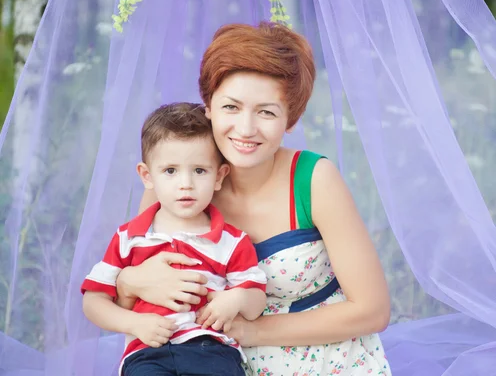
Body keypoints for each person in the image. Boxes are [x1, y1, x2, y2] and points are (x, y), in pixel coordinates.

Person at [115, 22, 392, 375]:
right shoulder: (175, 179)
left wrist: (252, 331)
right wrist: (130, 281)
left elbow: (372, 310)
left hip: (326, 358)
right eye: (231, 107)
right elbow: (128, 288)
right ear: (208, 107)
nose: (246, 129)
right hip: (209, 362)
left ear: (290, 119)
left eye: (266, 112)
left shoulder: (313, 180)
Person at [81, 102, 267, 376]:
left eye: (199, 171)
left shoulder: (232, 241)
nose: (186, 184)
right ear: (147, 176)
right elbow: (93, 302)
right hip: (147, 351)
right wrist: (134, 323)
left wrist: (237, 299)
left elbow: (255, 303)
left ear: (219, 176)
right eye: (170, 171)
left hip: (212, 350)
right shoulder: (130, 237)